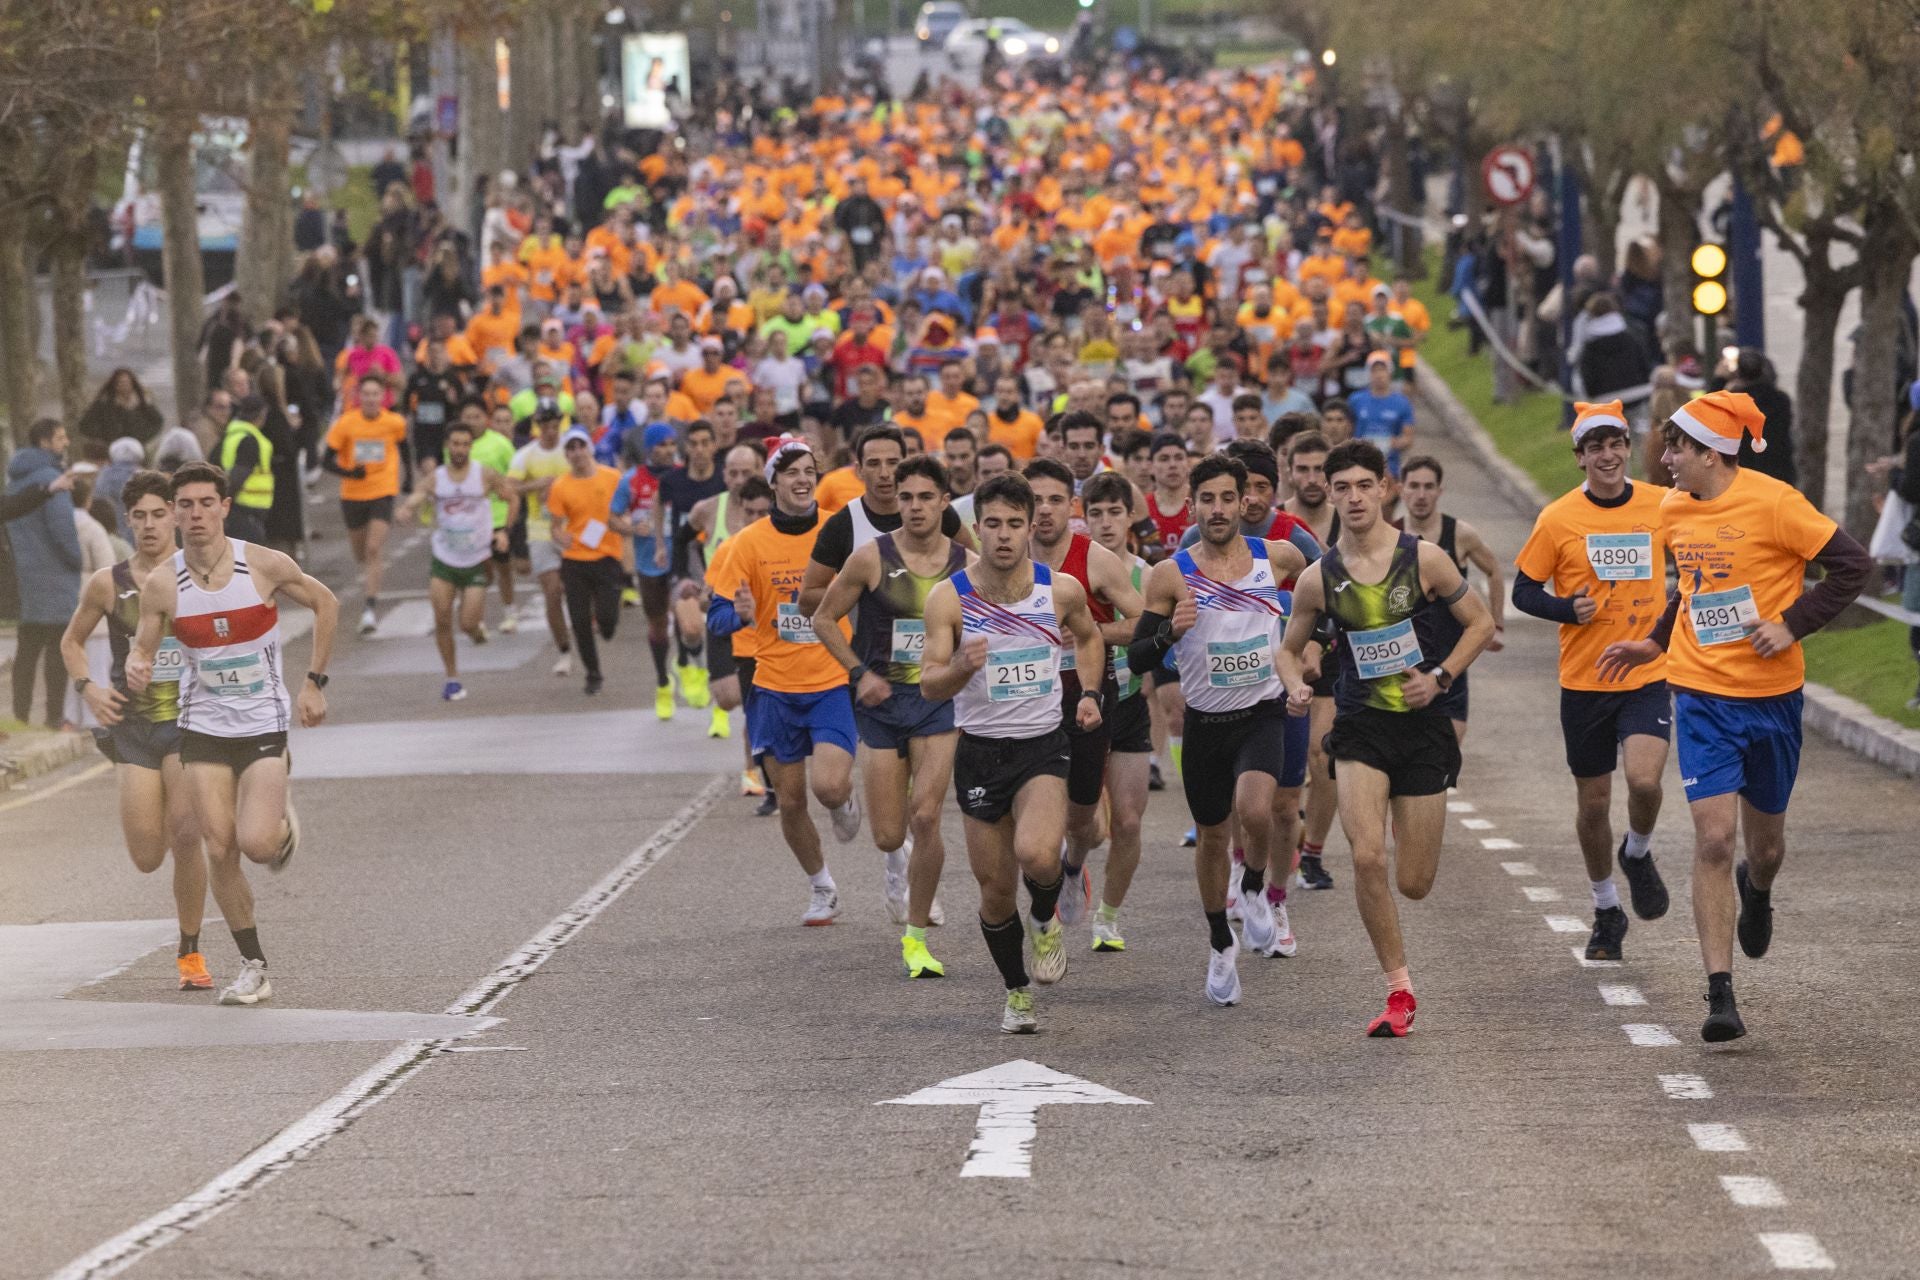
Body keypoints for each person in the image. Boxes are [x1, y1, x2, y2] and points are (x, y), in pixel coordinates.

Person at [1598, 391, 1869, 1042]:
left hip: (1772, 698)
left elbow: (1854, 567)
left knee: (1765, 846)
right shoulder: (1673, 509)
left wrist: (1789, 625)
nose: (1663, 459)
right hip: (1699, 694)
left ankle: (1760, 886)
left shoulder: (1776, 504)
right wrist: (1657, 642)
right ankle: (1720, 992)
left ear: (1712, 453)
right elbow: (1692, 590)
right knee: (1714, 837)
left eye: (1675, 448)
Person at [1278, 440, 1495, 1038]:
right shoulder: (1319, 577)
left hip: (1423, 726)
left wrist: (1441, 677)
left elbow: (1478, 624)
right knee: (1368, 855)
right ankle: (1399, 990)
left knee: (1414, 882)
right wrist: (1296, 684)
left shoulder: (1424, 559)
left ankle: (1407, 812)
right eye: (1340, 487)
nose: (1351, 497)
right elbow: (1290, 650)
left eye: (1362, 486)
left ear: (1384, 489)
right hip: (1360, 728)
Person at [124, 461, 339, 1007]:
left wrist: (313, 684)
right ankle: (254, 967)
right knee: (219, 846)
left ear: (223, 507)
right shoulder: (161, 584)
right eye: (186, 505)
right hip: (201, 728)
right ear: (176, 512)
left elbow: (326, 603)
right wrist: (137, 664)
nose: (195, 514)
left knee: (257, 845)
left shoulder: (262, 565)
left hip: (263, 721)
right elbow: (145, 645)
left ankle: (277, 821)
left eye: (205, 503)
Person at [920, 471, 1107, 1033]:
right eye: (993, 525)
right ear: (977, 529)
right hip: (979, 751)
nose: (1003, 536)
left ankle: (1046, 917)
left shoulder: (1061, 591)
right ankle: (1016, 992)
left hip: (1041, 746)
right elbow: (929, 682)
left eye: (1014, 525)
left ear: (1032, 528)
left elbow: (1092, 637)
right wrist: (959, 667)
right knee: (996, 890)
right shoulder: (948, 597)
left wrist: (1092, 694)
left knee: (1038, 855)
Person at [1129, 453, 1310, 1005]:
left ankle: (1254, 887)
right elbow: (1137, 654)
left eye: (1228, 498)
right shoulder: (1171, 574)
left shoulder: (1278, 556)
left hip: (1262, 713)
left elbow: (1317, 602)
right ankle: (1218, 943)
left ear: (1247, 502)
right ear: (1193, 505)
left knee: (1255, 811)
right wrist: (1167, 636)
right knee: (1211, 834)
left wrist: (1303, 652)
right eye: (1206, 499)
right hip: (1206, 723)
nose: (1218, 509)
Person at [1510, 401, 1674, 962]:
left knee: (1646, 783)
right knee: (1594, 802)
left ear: (1627, 449)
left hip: (1647, 672)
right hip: (1585, 679)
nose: (1607, 456)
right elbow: (1523, 591)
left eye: (1615, 445)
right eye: (1595, 448)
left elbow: (1695, 561)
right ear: (1579, 457)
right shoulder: (1557, 519)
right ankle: (1606, 908)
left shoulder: (1660, 505)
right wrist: (1565, 609)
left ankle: (1640, 851)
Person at [811, 454, 965, 977]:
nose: (915, 507)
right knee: (886, 834)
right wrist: (859, 674)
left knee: (926, 816)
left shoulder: (966, 562)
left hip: (936, 702)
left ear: (945, 502)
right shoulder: (870, 557)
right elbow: (823, 618)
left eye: (926, 497)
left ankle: (916, 934)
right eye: (907, 497)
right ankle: (880, 832)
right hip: (880, 705)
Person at [59, 470, 211, 989]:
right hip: (134, 728)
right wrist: (89, 689)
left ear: (175, 515)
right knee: (148, 856)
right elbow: (71, 643)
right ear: (128, 521)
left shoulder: (199, 575)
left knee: (187, 834)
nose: (149, 525)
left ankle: (190, 953)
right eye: (139, 517)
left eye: (159, 514)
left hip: (189, 724)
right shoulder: (109, 583)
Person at [704, 439, 864, 924]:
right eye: (790, 472)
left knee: (830, 788)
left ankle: (843, 802)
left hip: (832, 677)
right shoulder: (747, 544)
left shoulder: (840, 529)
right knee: (790, 800)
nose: (802, 479)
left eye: (809, 471)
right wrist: (737, 615)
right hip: (773, 686)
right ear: (773, 481)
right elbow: (715, 620)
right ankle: (822, 887)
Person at [1023, 458, 1145, 939]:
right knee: (1036, 816)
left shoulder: (1094, 558)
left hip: (1087, 697)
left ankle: (1073, 866)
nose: (1045, 511)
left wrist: (1092, 631)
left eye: (1055, 500)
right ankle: (1042, 899)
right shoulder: (1003, 557)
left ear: (1071, 505)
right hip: (1026, 700)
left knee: (1086, 825)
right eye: (1034, 501)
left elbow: (1142, 623)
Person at [1078, 471, 1157, 951]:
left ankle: (1107, 917)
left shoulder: (1146, 575)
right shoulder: (1075, 571)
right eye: (1095, 514)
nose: (1105, 523)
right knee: (1090, 826)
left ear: (1131, 517)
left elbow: (1153, 633)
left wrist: (1093, 636)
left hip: (1128, 704)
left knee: (1127, 822)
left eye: (1114, 513)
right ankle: (1073, 864)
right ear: (1083, 519)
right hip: (1083, 706)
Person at [397, 418, 521, 701]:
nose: (460, 449)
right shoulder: (437, 478)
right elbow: (419, 494)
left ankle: (476, 632)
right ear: (447, 446)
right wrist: (406, 508)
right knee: (442, 619)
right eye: (455, 444)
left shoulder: (484, 475)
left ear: (471, 446)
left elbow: (511, 498)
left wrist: (504, 532)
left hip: (477, 558)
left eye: (465, 444)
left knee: (467, 623)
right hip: (445, 559)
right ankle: (452, 678)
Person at [797, 425, 970, 616]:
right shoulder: (842, 525)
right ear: (859, 470)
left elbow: (973, 572)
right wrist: (865, 593)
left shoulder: (936, 511)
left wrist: (942, 595)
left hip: (937, 640)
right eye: (873, 463)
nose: (884, 473)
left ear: (905, 465)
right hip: (867, 643)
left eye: (892, 462)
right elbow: (806, 601)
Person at [1397, 455, 1507, 742]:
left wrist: (1496, 623)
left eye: (1429, 487)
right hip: (1404, 656)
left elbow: (1494, 570)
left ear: (1439, 491)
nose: (1421, 495)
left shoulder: (1459, 534)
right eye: (1414, 486)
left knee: (1449, 743)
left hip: (1451, 654)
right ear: (1401, 489)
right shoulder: (1389, 536)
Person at [6, 419, 82, 729]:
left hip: (24, 577)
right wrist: (77, 560)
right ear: (45, 442)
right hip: (55, 576)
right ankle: (53, 717)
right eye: (61, 437)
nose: (65, 443)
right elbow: (62, 529)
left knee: (26, 651)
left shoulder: (13, 482)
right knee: (57, 649)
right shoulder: (54, 479)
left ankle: (21, 717)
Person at [323, 374, 409, 635]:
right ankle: (371, 578)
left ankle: (370, 607)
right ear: (359, 397)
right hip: (353, 495)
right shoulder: (346, 424)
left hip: (383, 490)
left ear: (383, 397)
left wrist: (409, 481)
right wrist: (350, 473)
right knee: (361, 552)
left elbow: (405, 449)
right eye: (367, 394)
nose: (371, 398)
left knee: (373, 548)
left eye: (376, 394)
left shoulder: (394, 422)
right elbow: (326, 460)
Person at [545, 427, 627, 695]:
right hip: (575, 559)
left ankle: (606, 625)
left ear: (590, 448)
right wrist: (560, 538)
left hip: (607, 556)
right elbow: (555, 525)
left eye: (581, 446)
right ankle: (593, 673)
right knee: (579, 620)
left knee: (607, 620)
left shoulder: (612, 478)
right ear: (566, 454)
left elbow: (627, 508)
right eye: (571, 448)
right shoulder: (561, 485)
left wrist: (625, 524)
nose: (577, 453)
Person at [610, 424, 682, 718]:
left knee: (688, 617)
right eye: (662, 444)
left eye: (672, 444)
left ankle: (687, 661)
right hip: (648, 564)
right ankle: (663, 681)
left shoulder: (682, 476)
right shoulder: (631, 480)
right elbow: (613, 518)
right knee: (658, 625)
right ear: (651, 448)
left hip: (680, 562)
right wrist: (630, 527)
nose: (668, 449)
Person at [509, 401, 576, 676]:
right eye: (545, 425)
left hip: (574, 527)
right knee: (552, 591)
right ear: (537, 426)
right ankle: (564, 651)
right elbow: (509, 487)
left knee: (578, 591)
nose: (550, 431)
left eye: (554, 425)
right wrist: (534, 486)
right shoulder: (525, 456)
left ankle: (582, 635)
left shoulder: (572, 450)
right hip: (540, 528)